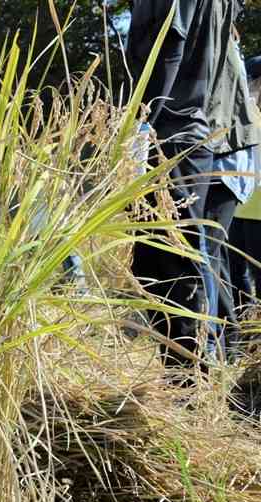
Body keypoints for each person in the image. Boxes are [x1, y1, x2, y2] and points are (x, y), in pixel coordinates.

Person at [127, 0, 243, 370]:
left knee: (174, 262)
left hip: (173, 134)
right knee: (152, 260)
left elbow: (170, 46)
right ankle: (179, 371)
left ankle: (189, 379)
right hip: (185, 133)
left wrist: (141, 119)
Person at [227, 55, 261, 326]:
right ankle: (246, 336)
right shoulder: (243, 112)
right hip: (238, 205)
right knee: (235, 275)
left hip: (255, 209)